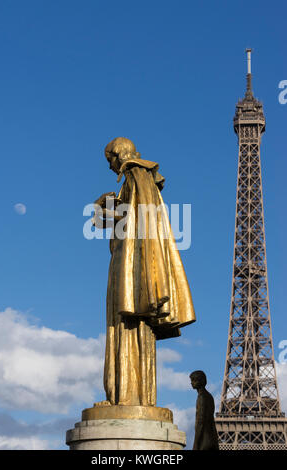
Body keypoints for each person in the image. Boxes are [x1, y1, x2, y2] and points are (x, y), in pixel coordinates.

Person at [93, 137, 196, 406]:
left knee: (127, 324)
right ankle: (127, 396)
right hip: (130, 260)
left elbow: (134, 218)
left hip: (132, 264)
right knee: (131, 327)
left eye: (109, 160)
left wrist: (101, 206)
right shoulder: (140, 178)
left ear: (118, 155)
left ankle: (125, 396)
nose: (109, 167)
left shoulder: (136, 174)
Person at [190, 370, 219, 450]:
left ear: (200, 381)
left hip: (204, 440)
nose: (191, 383)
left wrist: (196, 444)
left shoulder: (201, 397)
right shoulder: (209, 396)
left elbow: (200, 422)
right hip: (211, 438)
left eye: (193, 380)